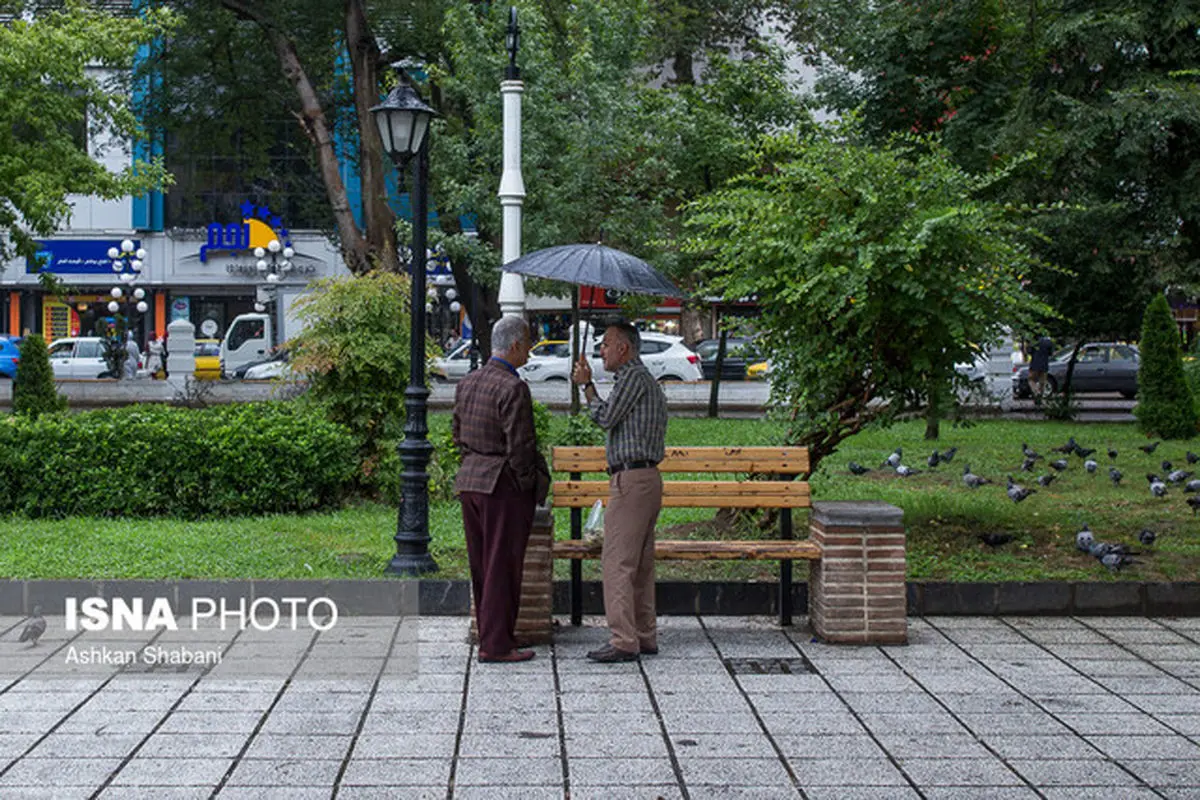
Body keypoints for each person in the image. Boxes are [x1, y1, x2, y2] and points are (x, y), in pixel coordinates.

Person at [453, 315, 549, 663]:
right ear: (514, 346)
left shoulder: (469, 382)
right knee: (503, 565)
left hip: (470, 480)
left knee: (482, 564)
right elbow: (521, 446)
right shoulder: (513, 388)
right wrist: (529, 486)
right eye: (527, 344)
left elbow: (457, 432)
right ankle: (497, 645)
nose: (529, 350)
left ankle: (494, 633)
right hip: (502, 486)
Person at [571, 322, 668, 663]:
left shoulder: (633, 378)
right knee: (639, 565)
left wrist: (587, 388)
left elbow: (607, 416)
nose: (602, 350)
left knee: (617, 562)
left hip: (632, 482)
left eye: (607, 344)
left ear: (624, 348)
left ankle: (624, 639)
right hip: (645, 480)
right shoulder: (643, 380)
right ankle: (643, 635)